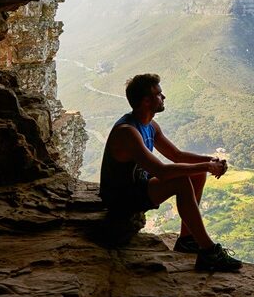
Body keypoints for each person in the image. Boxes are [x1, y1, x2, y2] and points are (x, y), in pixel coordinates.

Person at [99, 73, 242, 272]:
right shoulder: (128, 132)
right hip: (121, 197)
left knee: (196, 174)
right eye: (158, 94)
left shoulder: (149, 125)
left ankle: (187, 240)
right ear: (146, 101)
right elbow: (162, 171)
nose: (163, 97)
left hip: (137, 185)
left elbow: (176, 154)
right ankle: (209, 252)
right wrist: (207, 167)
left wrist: (209, 161)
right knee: (182, 182)